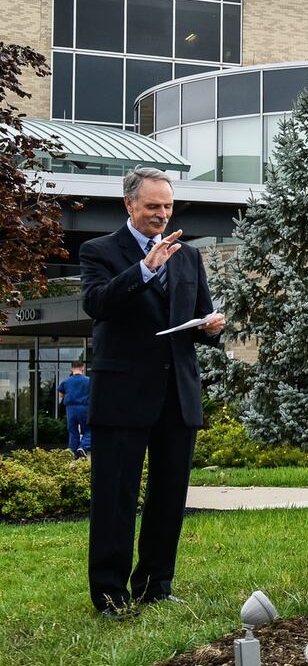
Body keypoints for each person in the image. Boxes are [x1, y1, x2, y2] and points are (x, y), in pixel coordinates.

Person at [78, 167, 224, 620]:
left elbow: (198, 315)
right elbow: (97, 304)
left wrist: (212, 327)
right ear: (129, 205)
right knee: (115, 497)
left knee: (169, 496)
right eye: (152, 207)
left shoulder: (187, 257)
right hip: (122, 393)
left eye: (167, 206)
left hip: (176, 394)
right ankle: (109, 594)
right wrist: (144, 269)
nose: (162, 215)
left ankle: (156, 585)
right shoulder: (99, 251)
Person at [57, 360, 92, 458]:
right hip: (84, 407)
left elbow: (60, 395)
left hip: (70, 409)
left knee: (73, 431)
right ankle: (83, 447)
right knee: (89, 430)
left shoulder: (66, 381)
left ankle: (72, 452)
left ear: (71, 369)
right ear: (83, 368)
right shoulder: (89, 380)